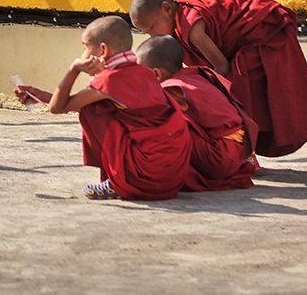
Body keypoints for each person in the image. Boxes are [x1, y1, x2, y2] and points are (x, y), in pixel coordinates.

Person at [129, 0, 307, 157]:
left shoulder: (193, 28)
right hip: (242, 45)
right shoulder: (178, 25)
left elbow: (221, 67)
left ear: (166, 9)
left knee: (237, 93)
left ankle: (243, 155)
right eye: (146, 32)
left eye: (152, 27)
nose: (151, 35)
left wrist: (207, 95)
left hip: (262, 36)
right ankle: (244, 152)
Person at [15, 16, 191, 201]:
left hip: (144, 176)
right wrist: (42, 95)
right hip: (170, 177)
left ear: (102, 50)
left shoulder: (110, 79)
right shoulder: (142, 72)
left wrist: (74, 68)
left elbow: (57, 108)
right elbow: (72, 102)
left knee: (93, 112)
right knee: (98, 107)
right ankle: (121, 177)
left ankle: (119, 181)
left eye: (85, 47)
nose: (83, 54)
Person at [137, 36, 258, 191]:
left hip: (219, 158)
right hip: (239, 151)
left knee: (161, 124)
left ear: (156, 74)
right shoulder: (194, 75)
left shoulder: (172, 88)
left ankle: (141, 174)